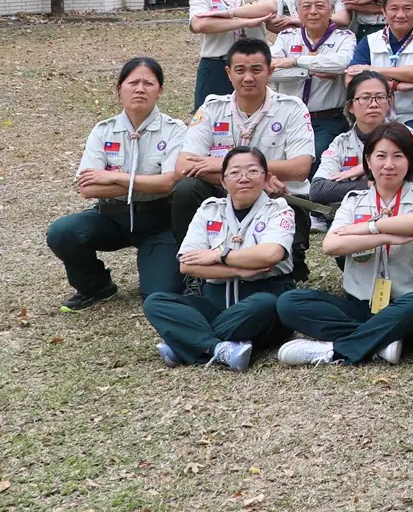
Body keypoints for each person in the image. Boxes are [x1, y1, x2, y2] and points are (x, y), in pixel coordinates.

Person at [276, 122, 413, 366]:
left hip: (407, 307)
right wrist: (384, 237)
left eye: (398, 156)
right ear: (368, 161)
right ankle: (379, 342)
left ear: (410, 161)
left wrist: (368, 227)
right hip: (361, 305)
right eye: (381, 156)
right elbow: (331, 245)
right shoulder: (353, 201)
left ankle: (334, 350)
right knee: (289, 303)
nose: (388, 165)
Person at [49, 57, 187, 310]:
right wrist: (147, 181)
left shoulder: (175, 130)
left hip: (159, 221)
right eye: (133, 82)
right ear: (119, 88)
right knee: (62, 232)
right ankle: (97, 286)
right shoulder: (103, 130)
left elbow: (169, 183)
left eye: (149, 83)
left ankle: (162, 267)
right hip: (111, 216)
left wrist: (114, 176)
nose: (140, 89)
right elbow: (88, 188)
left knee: (158, 295)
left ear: (160, 90)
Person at [143, 146, 296, 370]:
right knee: (156, 302)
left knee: (265, 304)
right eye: (234, 173)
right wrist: (237, 269)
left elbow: (270, 254)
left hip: (260, 300)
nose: (244, 178)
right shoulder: (209, 210)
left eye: (253, 171)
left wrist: (218, 256)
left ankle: (188, 341)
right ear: (223, 182)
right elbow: (187, 264)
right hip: (215, 301)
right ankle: (218, 349)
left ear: (267, 178)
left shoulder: (279, 210)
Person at [173, 38, 314, 272]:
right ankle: (194, 269)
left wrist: (222, 164)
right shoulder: (212, 108)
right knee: (187, 188)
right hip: (222, 196)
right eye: (240, 70)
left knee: (282, 272)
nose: (248, 78)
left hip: (276, 196)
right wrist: (238, 180)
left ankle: (286, 260)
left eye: (256, 70)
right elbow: (183, 167)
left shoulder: (291, 108)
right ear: (228, 73)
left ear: (270, 71)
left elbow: (300, 169)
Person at [344, 0, 413, 141]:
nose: (401, 15)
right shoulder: (369, 41)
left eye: (407, 8)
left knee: (402, 143)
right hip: (374, 116)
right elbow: (351, 81)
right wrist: (394, 86)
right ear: (383, 12)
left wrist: (373, 71)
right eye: (394, 9)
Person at [310, 72, 413, 207]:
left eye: (380, 97)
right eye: (365, 98)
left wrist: (364, 168)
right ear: (350, 107)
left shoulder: (405, 133)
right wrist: (370, 184)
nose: (374, 104)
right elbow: (318, 190)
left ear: (389, 102)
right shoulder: (341, 142)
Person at [268, 0, 355, 157]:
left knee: (314, 156)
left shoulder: (344, 38)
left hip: (326, 119)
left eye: (320, 6)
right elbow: (269, 70)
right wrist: (308, 72)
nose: (313, 11)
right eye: (306, 6)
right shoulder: (286, 38)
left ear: (331, 10)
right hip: (287, 117)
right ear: (297, 11)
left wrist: (295, 61)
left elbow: (341, 63)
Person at [187, 0, 275, 107]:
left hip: (253, 66)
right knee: (211, 120)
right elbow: (200, 24)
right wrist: (244, 21)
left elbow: (270, 7)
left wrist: (227, 13)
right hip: (215, 66)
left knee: (255, 116)